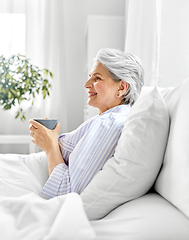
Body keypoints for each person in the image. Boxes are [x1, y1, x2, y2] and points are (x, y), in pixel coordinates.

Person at [29, 48, 144, 198]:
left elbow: (66, 193)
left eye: (97, 78)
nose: (87, 84)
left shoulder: (108, 124)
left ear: (121, 87)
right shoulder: (107, 118)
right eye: (90, 77)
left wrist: (50, 147)